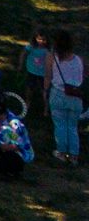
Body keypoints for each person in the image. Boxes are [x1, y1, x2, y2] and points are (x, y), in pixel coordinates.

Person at [47, 30, 83, 163]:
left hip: (58, 93)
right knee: (72, 126)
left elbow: (48, 77)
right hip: (75, 95)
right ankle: (74, 155)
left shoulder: (52, 57)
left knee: (60, 124)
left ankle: (61, 152)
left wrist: (45, 91)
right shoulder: (78, 59)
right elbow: (80, 78)